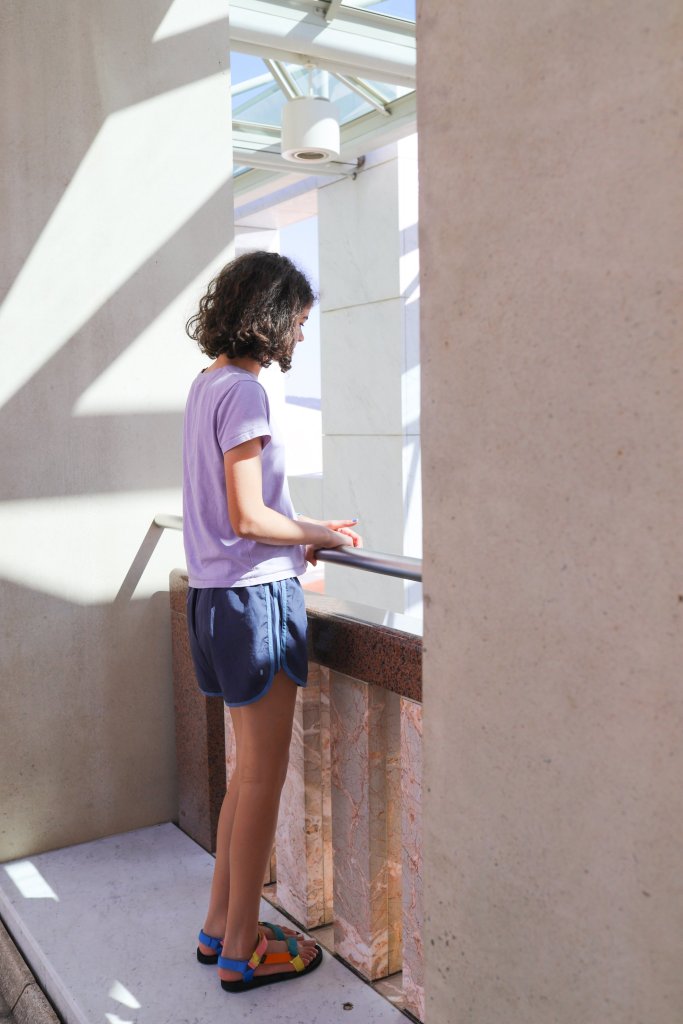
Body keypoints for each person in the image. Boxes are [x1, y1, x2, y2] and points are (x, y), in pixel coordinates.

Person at [182, 250, 362, 993]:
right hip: (252, 603)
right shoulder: (246, 393)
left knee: (245, 775)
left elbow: (233, 514)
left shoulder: (206, 385)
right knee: (262, 777)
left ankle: (219, 928)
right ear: (274, 315)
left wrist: (301, 534)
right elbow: (249, 516)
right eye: (299, 321)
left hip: (212, 599)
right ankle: (243, 950)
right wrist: (316, 533)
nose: (301, 335)